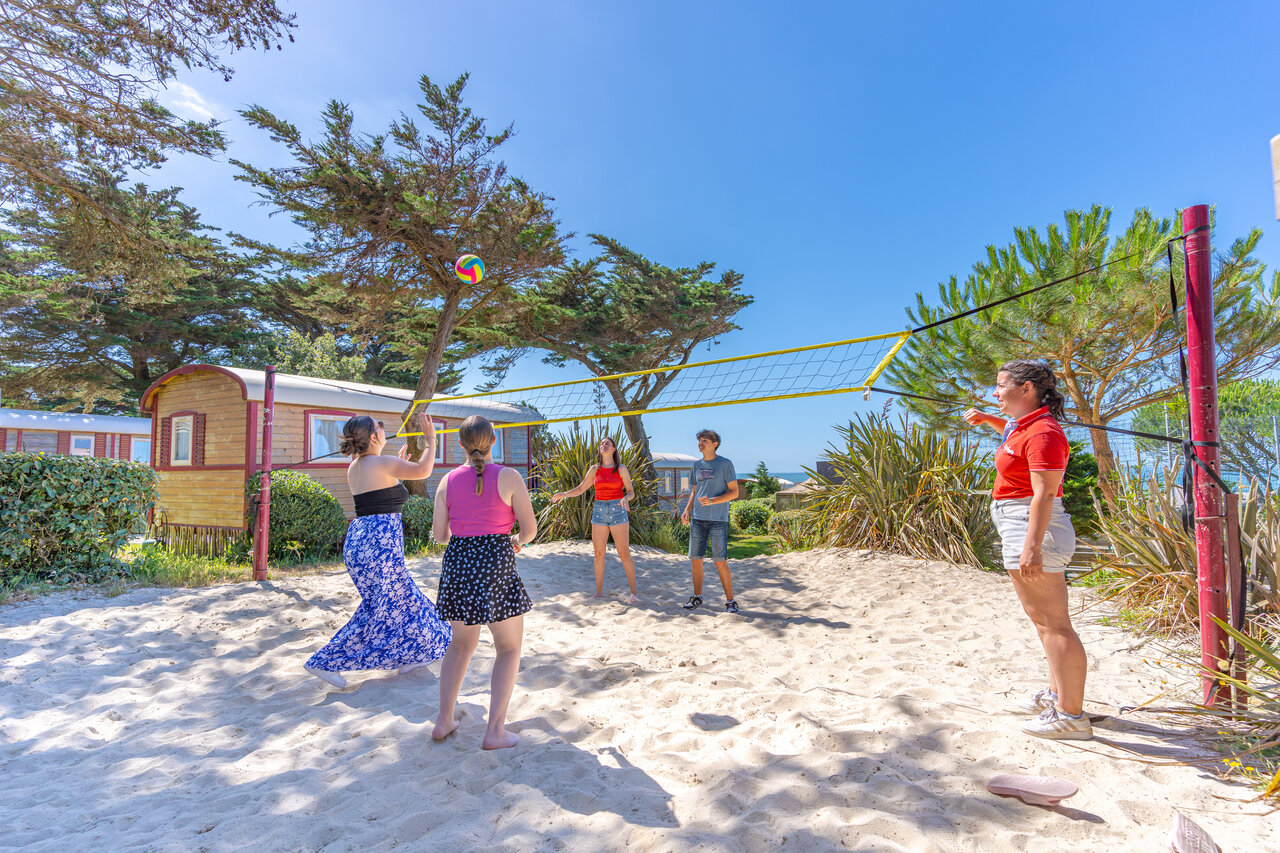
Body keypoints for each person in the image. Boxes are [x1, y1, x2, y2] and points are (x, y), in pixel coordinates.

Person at [963, 360, 1091, 740]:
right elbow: (1015, 439)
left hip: (1033, 527)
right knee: (1045, 623)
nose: (994, 392)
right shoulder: (1024, 426)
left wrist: (1031, 547)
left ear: (1027, 389)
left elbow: (1045, 493)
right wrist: (990, 419)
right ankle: (1057, 696)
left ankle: (1072, 716)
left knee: (1055, 625)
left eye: (1000, 386)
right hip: (1020, 524)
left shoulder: (1044, 432)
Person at [304, 416, 451, 688]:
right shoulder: (381, 464)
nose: (384, 428)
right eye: (379, 426)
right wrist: (431, 439)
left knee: (400, 601)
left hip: (360, 541)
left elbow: (380, 486)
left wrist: (393, 462)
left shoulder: (357, 466)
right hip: (379, 543)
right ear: (372, 437)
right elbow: (422, 471)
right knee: (384, 606)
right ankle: (324, 661)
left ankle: (410, 657)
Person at [431, 416, 538, 749]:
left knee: (460, 645)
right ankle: (494, 732)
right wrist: (517, 540)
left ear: (460, 445)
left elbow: (440, 536)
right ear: (494, 441)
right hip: (496, 561)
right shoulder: (509, 476)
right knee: (508, 648)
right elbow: (529, 529)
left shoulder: (447, 480)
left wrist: (468, 533)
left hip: (459, 563)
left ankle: (444, 719)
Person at [550, 436, 639, 602]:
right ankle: (598, 592)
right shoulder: (594, 469)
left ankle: (633, 593)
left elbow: (631, 491)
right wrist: (564, 494)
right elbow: (582, 488)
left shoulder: (621, 468)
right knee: (599, 554)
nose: (603, 445)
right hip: (599, 511)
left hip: (618, 510)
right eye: (601, 443)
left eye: (607, 443)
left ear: (613, 449)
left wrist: (626, 498)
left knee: (624, 553)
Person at [680, 428, 739, 613]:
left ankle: (730, 601)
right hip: (698, 519)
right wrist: (686, 510)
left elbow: (734, 492)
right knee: (695, 559)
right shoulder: (697, 465)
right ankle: (697, 597)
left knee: (719, 560)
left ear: (715, 444)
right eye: (699, 440)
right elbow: (695, 491)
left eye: (704, 440)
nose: (701, 443)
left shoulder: (725, 464)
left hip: (718, 520)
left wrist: (713, 501)